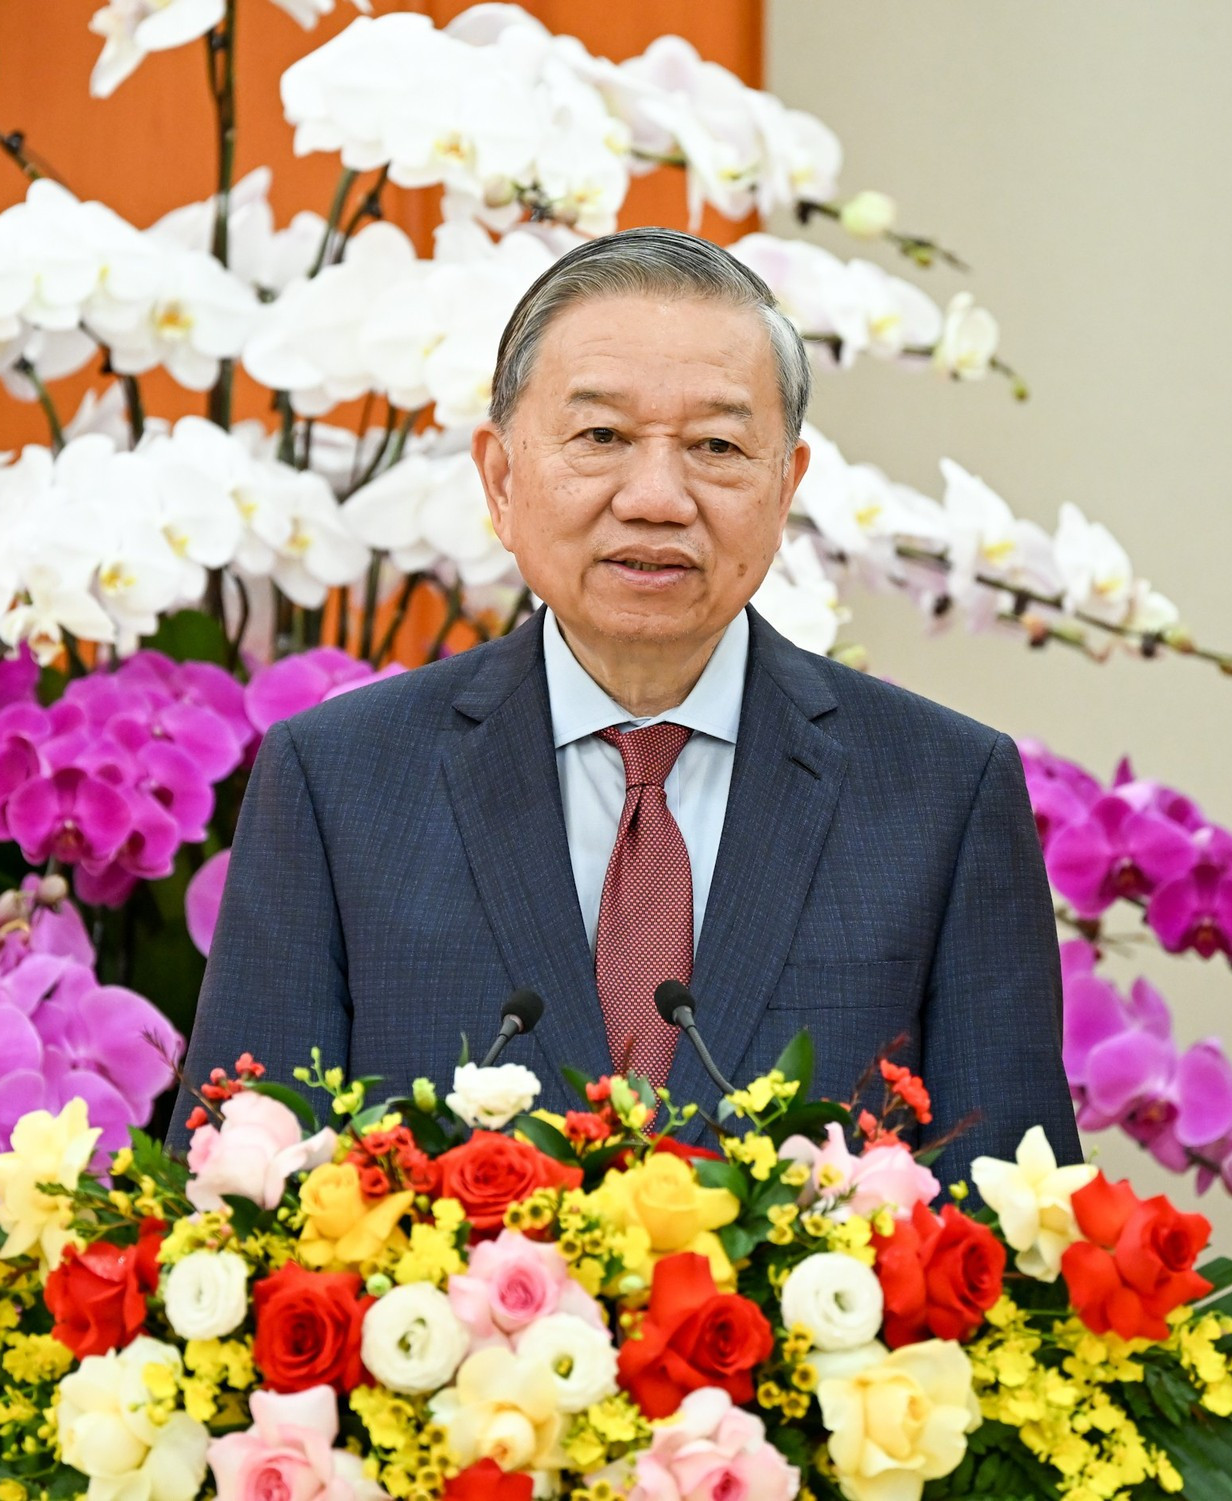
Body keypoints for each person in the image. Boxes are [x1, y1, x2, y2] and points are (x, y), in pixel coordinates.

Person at [171, 226, 1079, 1165]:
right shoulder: (337, 784)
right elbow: (230, 1198)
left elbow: (1013, 1215)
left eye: (717, 445)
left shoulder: (944, 793)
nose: (656, 497)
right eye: (601, 437)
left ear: (784, 489)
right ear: (501, 479)